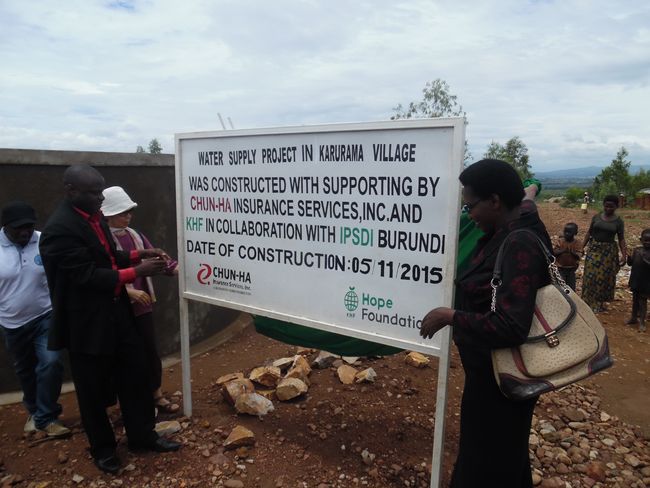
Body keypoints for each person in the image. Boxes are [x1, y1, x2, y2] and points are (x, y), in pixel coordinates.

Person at [39, 165, 181, 475]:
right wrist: (136, 274)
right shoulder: (59, 229)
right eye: (91, 193)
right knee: (92, 391)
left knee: (135, 375)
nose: (98, 198)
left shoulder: (93, 218)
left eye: (100, 192)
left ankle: (142, 436)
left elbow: (107, 257)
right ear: (70, 191)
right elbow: (86, 276)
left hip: (116, 314)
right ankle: (103, 450)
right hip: (85, 324)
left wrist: (138, 255)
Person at [419, 159, 552, 488]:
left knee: (483, 467)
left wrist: (449, 316)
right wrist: (530, 191)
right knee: (505, 461)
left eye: (471, 206)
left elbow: (510, 326)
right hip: (491, 377)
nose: (469, 215)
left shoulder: (519, 243)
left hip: (502, 383)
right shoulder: (513, 225)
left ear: (495, 200)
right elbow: (528, 199)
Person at [101, 186, 179, 414]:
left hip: (142, 307)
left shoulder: (135, 236)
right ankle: (117, 404)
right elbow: (101, 274)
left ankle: (156, 394)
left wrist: (174, 269)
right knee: (118, 355)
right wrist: (128, 291)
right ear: (108, 214)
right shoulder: (102, 240)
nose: (128, 216)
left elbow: (157, 259)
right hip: (116, 307)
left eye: (129, 212)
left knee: (149, 349)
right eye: (122, 213)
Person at [0, 202, 71, 438]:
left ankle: (46, 417)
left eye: (29, 227)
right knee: (25, 370)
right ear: (6, 227)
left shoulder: (44, 240)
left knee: (51, 363)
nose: (24, 232)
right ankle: (34, 411)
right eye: (18, 228)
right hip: (12, 322)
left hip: (44, 315)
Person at [581, 195, 627, 312]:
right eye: (606, 206)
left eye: (611, 207)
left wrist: (624, 255)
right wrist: (581, 247)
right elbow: (589, 233)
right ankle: (587, 301)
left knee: (603, 278)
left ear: (616, 207)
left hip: (608, 253)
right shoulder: (596, 217)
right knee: (590, 275)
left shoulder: (618, 221)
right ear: (603, 205)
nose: (608, 209)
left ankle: (599, 303)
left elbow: (621, 239)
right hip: (594, 249)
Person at [626, 228, 650, 332]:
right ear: (641, 240)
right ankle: (633, 317)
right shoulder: (637, 250)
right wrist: (629, 257)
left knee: (642, 301)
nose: (647, 243)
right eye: (645, 240)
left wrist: (644, 260)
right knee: (635, 300)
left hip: (646, 282)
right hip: (635, 279)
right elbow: (630, 263)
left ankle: (642, 322)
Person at [553, 222, 582, 291]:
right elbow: (554, 252)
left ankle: (570, 300)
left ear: (575, 233)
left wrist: (572, 253)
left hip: (571, 269)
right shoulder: (560, 241)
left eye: (569, 232)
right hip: (560, 268)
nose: (566, 234)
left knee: (571, 288)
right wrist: (562, 251)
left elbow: (579, 255)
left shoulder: (577, 243)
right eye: (565, 232)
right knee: (561, 287)